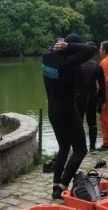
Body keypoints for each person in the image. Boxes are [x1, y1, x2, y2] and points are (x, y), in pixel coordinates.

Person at [42, 34, 99, 200]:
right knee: (81, 149)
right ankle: (62, 186)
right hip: (67, 109)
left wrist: (62, 43)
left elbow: (57, 45)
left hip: (53, 109)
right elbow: (91, 49)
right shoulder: (67, 63)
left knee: (64, 147)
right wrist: (69, 47)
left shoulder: (47, 57)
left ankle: (55, 187)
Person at [75, 42, 106, 152]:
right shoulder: (98, 66)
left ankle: (79, 147)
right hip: (93, 97)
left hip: (79, 97)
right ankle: (92, 147)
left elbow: (70, 83)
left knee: (79, 122)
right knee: (92, 122)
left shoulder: (77, 64)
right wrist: (102, 101)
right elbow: (102, 86)